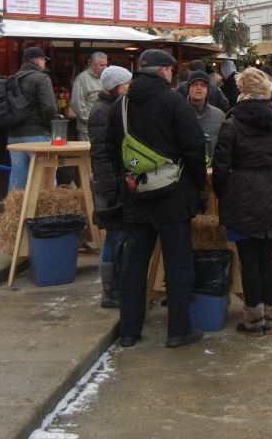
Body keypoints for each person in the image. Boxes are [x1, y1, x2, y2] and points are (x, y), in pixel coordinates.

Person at [105, 49, 207, 349]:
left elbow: (112, 152)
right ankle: (178, 330)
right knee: (177, 264)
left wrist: (125, 182)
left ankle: (129, 331)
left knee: (135, 263)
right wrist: (198, 184)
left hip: (136, 195)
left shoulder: (120, 106)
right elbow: (193, 148)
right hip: (173, 196)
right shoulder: (175, 102)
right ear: (164, 72)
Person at [212, 68, 272, 335]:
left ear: (242, 91)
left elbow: (221, 169)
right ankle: (269, 317)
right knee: (267, 258)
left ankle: (253, 320)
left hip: (242, 197)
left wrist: (224, 193)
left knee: (249, 261)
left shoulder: (231, 124)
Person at [88, 65, 132, 309]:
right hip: (110, 183)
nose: (129, 87)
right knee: (114, 236)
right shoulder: (103, 112)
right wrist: (111, 187)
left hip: (115, 180)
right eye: (126, 83)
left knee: (120, 235)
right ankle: (109, 290)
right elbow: (102, 154)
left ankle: (118, 285)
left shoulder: (111, 108)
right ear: (116, 86)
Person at [6, 47, 59, 192]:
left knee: (18, 177)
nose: (44, 64)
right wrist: (52, 124)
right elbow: (49, 108)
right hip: (38, 134)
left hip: (14, 135)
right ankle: (45, 212)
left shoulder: (12, 78)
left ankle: (15, 212)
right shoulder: (42, 79)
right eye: (43, 60)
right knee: (45, 177)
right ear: (38, 60)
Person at [185, 70, 226, 164]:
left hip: (212, 172)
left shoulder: (219, 115)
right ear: (189, 87)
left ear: (208, 89)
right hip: (184, 172)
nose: (199, 88)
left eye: (203, 85)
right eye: (195, 84)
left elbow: (224, 147)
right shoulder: (178, 112)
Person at [70, 52, 108, 141]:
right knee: (87, 154)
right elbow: (78, 105)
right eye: (101, 65)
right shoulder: (81, 79)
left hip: (105, 128)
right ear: (91, 64)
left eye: (106, 65)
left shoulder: (107, 78)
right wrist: (94, 121)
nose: (105, 68)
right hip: (87, 130)